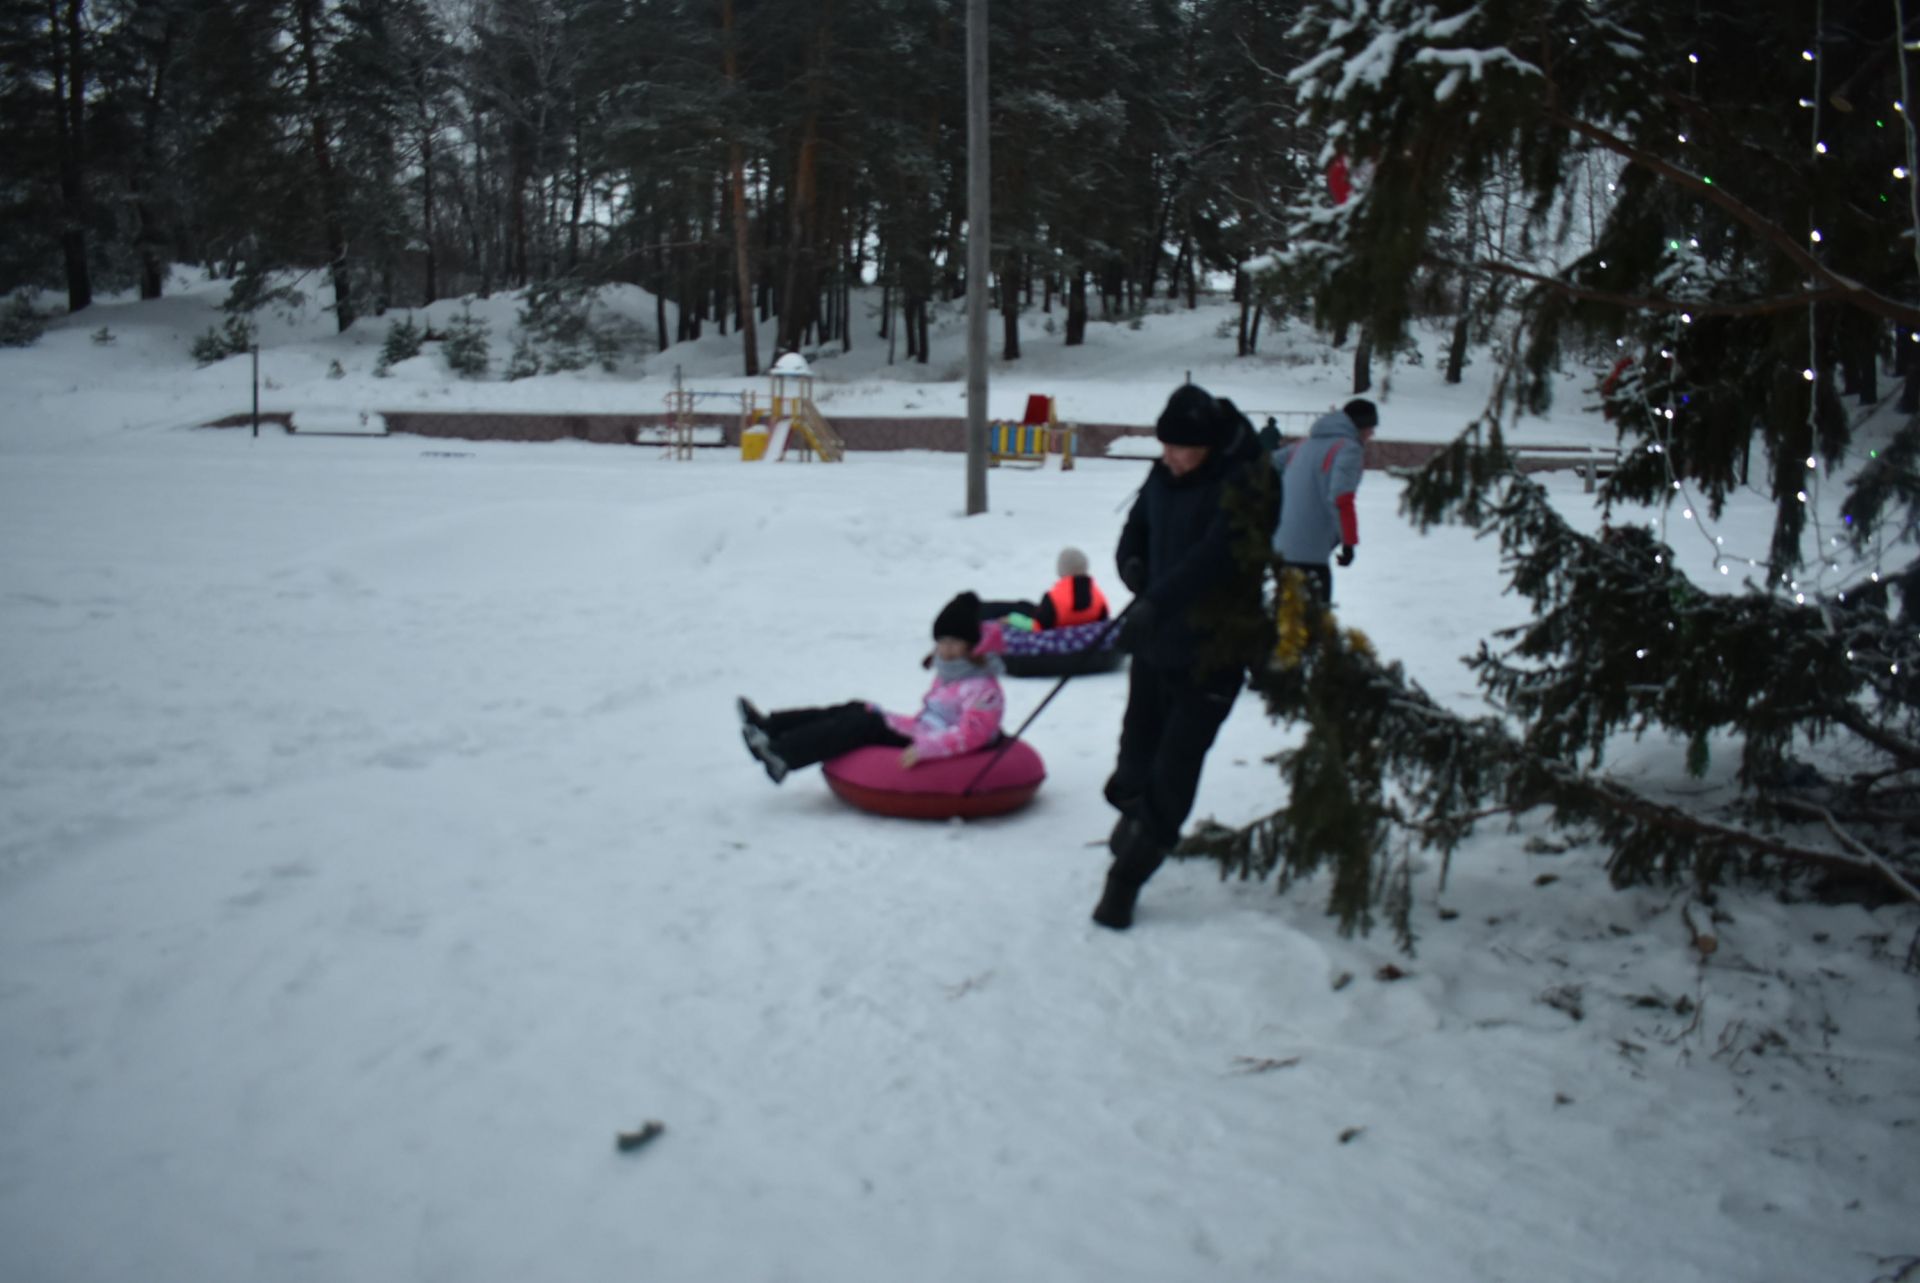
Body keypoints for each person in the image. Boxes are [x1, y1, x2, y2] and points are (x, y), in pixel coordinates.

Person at [1094, 384, 1276, 930]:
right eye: (1165, 446)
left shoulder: (1250, 480)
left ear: (1210, 444)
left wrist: (1155, 601)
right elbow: (1138, 527)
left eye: (1181, 448)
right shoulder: (1163, 471)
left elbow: (1215, 559)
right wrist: (1130, 564)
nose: (1170, 457)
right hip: (1158, 641)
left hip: (1215, 648)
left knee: (1174, 769)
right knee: (1135, 756)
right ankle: (1133, 812)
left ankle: (1126, 880)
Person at [739, 592, 1007, 783]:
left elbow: (973, 734)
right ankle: (771, 726)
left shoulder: (983, 689)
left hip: (930, 739)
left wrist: (927, 748)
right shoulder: (952, 674)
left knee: (864, 724)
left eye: (954, 642)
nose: (945, 650)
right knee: (857, 708)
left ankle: (781, 755)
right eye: (941, 641)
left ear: (971, 645)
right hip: (919, 728)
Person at [1270, 398, 1378, 604]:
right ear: (1360, 426)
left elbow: (1268, 463)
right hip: (1310, 553)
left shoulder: (1304, 445)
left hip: (1280, 547)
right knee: (1314, 623)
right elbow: (1341, 497)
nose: (1372, 434)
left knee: (1285, 619)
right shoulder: (1349, 449)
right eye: (1370, 427)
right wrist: (1349, 543)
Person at [985, 546, 1112, 632]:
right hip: (1055, 617)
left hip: (1048, 620)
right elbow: (1103, 621)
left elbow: (1037, 627)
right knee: (1025, 605)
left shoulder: (1053, 598)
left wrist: (1011, 619)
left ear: (1062, 570)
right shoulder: (1099, 597)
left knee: (1019, 608)